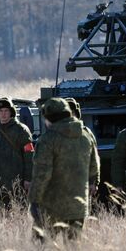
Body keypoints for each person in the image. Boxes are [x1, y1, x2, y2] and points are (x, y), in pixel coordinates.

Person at [29, 98, 100, 242]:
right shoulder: (86, 136)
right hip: (78, 206)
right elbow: (94, 167)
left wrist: (34, 200)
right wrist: (93, 183)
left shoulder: (48, 140)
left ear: (49, 118)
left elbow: (42, 174)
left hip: (50, 207)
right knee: (73, 250)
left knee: (42, 249)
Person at [0, 98, 34, 213]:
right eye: (0, 111)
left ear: (11, 112)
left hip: (18, 183)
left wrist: (28, 179)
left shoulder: (21, 131)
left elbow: (29, 157)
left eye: (6, 111)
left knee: (20, 216)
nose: (3, 114)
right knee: (0, 218)